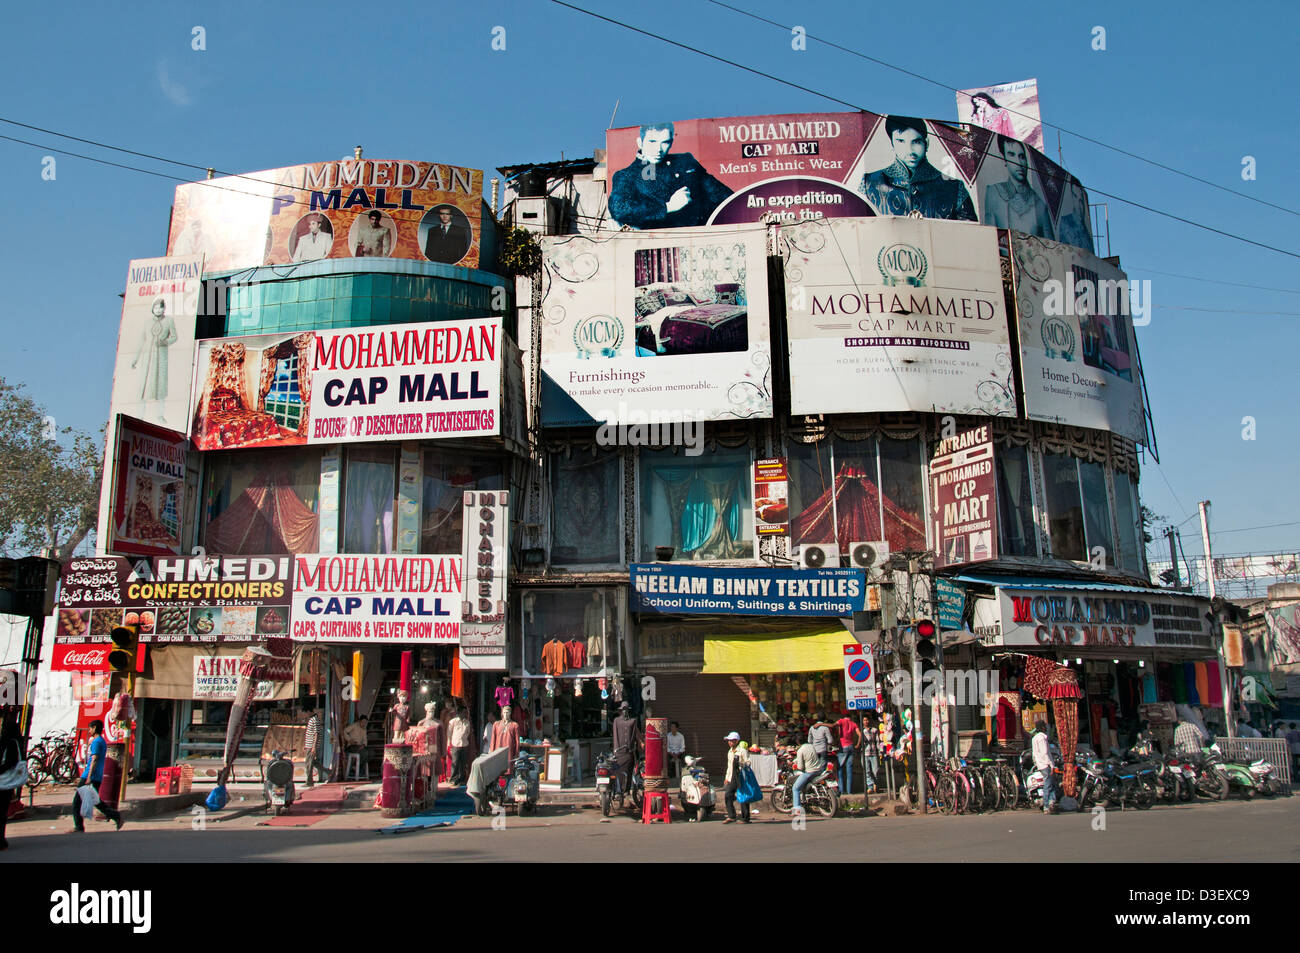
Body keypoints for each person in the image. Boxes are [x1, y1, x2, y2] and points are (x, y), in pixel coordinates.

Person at [608, 121, 732, 229]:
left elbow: (724, 195)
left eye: (665, 142)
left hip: (702, 237)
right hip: (663, 246)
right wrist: (668, 207)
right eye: (652, 141)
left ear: (671, 142)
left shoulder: (685, 162)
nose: (658, 149)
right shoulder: (626, 175)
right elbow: (619, 209)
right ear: (640, 142)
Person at [859, 115, 977, 222]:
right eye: (901, 141)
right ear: (892, 144)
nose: (910, 150)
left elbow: (971, 237)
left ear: (926, 143)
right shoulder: (869, 183)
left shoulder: (955, 188)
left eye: (916, 142)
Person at [981, 135, 1054, 239]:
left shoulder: (1039, 204)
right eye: (1011, 155)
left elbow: (1050, 245)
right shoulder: (993, 192)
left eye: (1021, 156)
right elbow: (988, 237)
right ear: (1004, 159)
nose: (1018, 163)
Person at [72, 720, 123, 833]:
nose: (89, 731)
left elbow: (94, 759)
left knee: (77, 802)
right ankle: (115, 815)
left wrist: (89, 777)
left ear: (94, 728)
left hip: (90, 776)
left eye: (90, 728)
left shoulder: (96, 742)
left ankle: (79, 827)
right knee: (96, 801)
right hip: (96, 776)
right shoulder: (102, 741)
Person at [130, 297, 178, 407]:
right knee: (144, 386)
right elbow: (141, 341)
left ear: (164, 309)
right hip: (148, 357)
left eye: (160, 308)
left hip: (161, 356)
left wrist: (165, 342)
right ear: (153, 309)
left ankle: (160, 415)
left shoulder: (169, 320)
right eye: (156, 308)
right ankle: (140, 414)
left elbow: (174, 337)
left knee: (160, 387)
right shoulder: (147, 322)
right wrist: (135, 359)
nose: (158, 310)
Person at [0, 708, 22, 850]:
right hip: (7, 783)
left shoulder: (9, 743)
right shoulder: (15, 742)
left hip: (4, 781)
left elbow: (9, 763)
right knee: (2, 812)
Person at [611, 702, 642, 792]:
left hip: (629, 751)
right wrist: (615, 749)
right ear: (621, 710)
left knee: (628, 771)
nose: (625, 711)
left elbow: (635, 734)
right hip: (619, 751)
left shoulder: (633, 721)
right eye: (623, 709)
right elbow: (615, 735)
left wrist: (635, 745)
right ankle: (618, 789)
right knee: (619, 771)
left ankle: (626, 790)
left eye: (626, 709)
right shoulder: (616, 721)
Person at [722, 731, 751, 824]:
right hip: (732, 777)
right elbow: (729, 766)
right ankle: (731, 816)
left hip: (741, 775)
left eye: (731, 740)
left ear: (736, 741)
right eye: (728, 741)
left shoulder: (742, 751)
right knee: (728, 795)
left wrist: (741, 764)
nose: (729, 742)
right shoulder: (730, 751)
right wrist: (727, 777)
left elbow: (748, 762)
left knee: (743, 796)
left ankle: (745, 818)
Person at [1031, 720, 1058, 814]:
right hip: (1045, 764)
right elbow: (1045, 753)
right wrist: (1051, 765)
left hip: (1040, 764)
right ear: (1042, 728)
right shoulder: (1042, 738)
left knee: (1050, 783)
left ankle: (1050, 803)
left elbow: (1034, 754)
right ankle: (1048, 805)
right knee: (1049, 785)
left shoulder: (1034, 738)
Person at [791, 739, 822, 815]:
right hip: (819, 770)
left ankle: (797, 809)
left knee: (795, 788)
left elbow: (801, 767)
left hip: (809, 772)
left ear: (798, 742)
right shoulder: (812, 746)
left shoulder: (800, 751)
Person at [834, 712, 860, 794]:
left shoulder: (841, 721)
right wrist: (858, 744)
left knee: (840, 769)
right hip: (851, 746)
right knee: (849, 770)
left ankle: (841, 791)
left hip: (843, 746)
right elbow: (860, 734)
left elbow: (834, 725)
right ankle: (849, 791)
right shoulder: (853, 724)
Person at [449, 707, 472, 785]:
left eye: (465, 713)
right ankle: (453, 779)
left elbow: (468, 732)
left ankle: (462, 779)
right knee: (455, 762)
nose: (464, 714)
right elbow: (449, 733)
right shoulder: (453, 722)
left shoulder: (467, 722)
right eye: (463, 712)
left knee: (463, 763)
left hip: (464, 744)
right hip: (456, 744)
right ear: (459, 713)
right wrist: (450, 744)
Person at [860, 714, 880, 793]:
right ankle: (870, 786)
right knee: (867, 771)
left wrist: (879, 751)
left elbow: (877, 741)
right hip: (865, 753)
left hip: (873, 753)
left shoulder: (874, 730)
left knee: (876, 770)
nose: (866, 722)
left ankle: (876, 784)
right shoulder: (862, 731)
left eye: (867, 720)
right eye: (864, 720)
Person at [303, 709, 323, 787]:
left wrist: (313, 747)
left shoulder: (314, 720)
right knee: (313, 763)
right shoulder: (313, 720)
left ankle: (309, 781)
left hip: (311, 746)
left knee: (309, 763)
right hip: (309, 745)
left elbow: (316, 734)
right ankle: (328, 772)